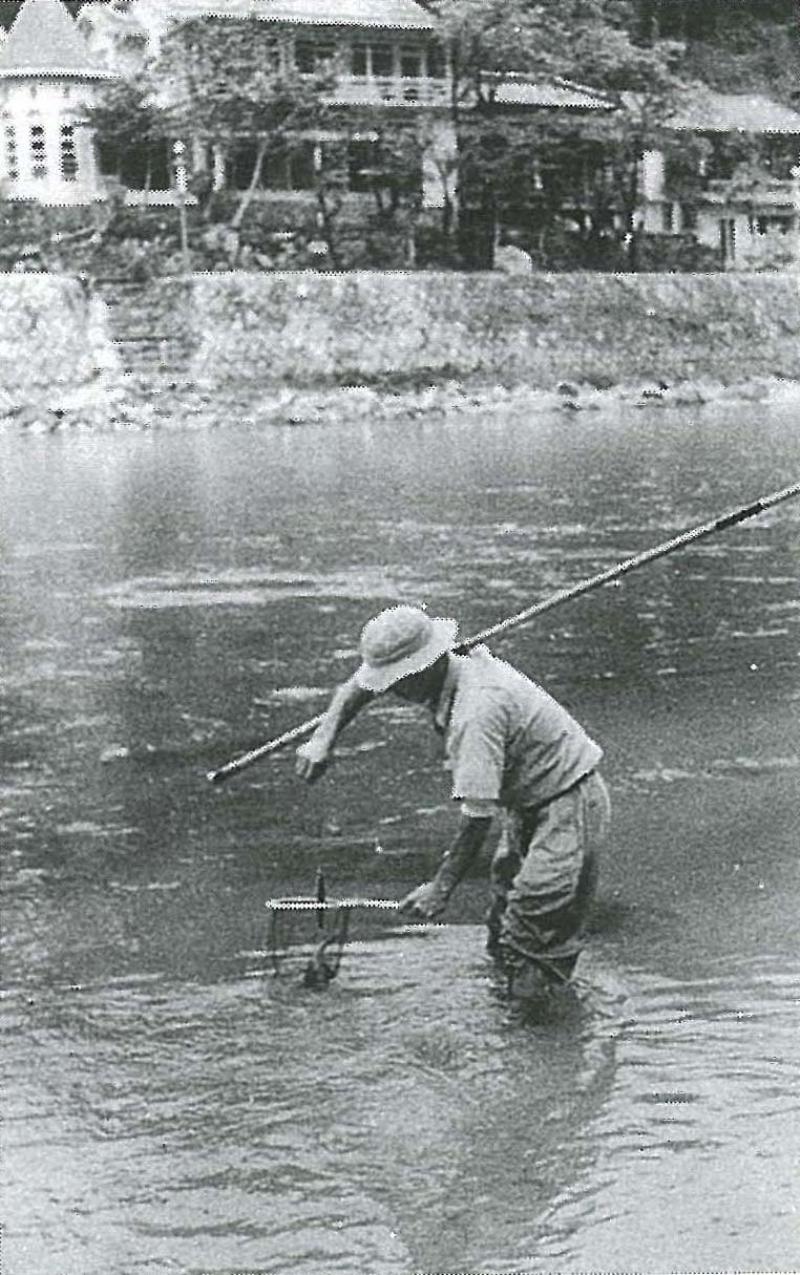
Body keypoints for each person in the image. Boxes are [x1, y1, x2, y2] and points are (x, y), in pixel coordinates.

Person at [296, 606, 610, 1000]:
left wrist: (440, 888)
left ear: (422, 669)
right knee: (503, 925)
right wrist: (323, 738)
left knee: (534, 927)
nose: (388, 692)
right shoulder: (451, 668)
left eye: (396, 682)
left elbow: (477, 816)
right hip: (527, 801)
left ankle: (539, 1041)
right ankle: (512, 1006)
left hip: (567, 801)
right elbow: (356, 689)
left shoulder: (476, 712)